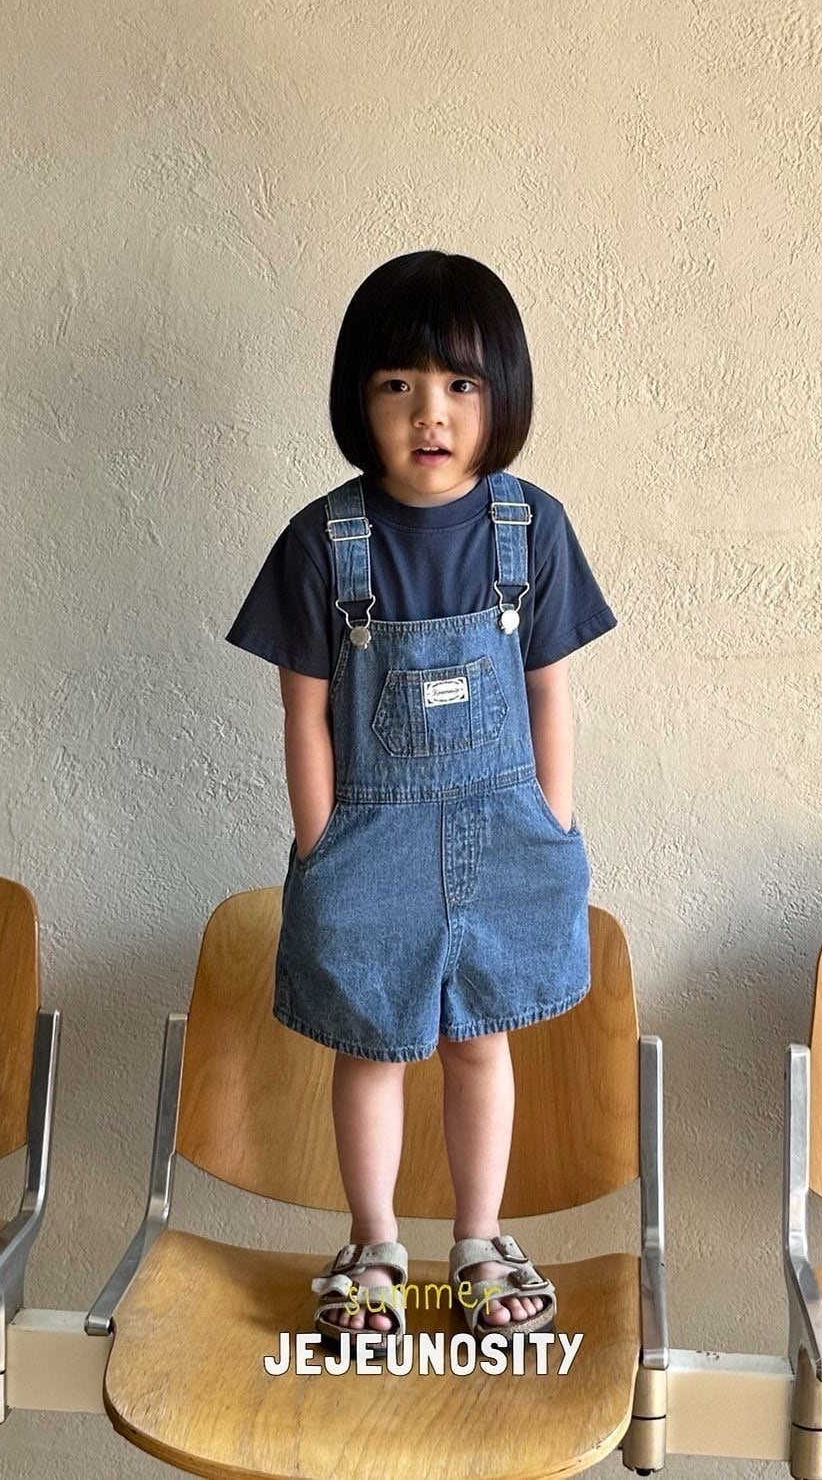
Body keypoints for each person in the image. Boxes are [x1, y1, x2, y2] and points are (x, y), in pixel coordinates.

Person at [225, 250, 616, 1354]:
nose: (428, 412)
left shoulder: (531, 529)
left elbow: (549, 690)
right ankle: (374, 1247)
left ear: (502, 397)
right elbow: (303, 710)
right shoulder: (323, 541)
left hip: (509, 834)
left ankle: (479, 1241)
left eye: (460, 384)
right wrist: (321, 841)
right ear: (360, 399)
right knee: (374, 1049)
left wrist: (551, 820)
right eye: (397, 383)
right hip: (367, 840)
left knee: (480, 1042)